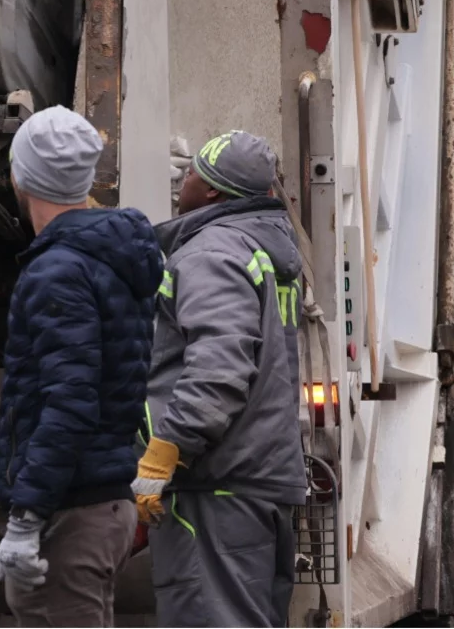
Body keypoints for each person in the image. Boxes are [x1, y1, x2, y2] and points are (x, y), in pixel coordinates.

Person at [0, 105, 163, 627]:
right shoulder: (108, 258)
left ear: (21, 177)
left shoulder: (58, 271)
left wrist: (27, 516)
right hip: (101, 502)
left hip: (71, 511)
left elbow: (70, 403)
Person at [134, 131, 306, 628]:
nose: (182, 180)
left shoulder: (211, 254)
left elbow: (218, 370)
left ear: (212, 190)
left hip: (216, 487)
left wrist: (166, 452)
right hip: (257, 481)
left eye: (191, 172)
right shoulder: (262, 252)